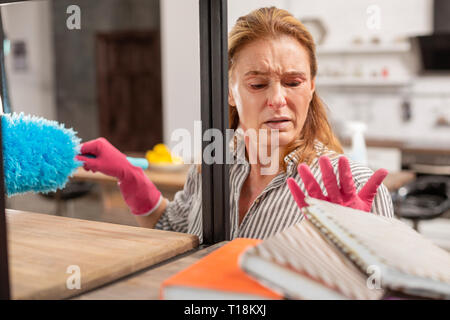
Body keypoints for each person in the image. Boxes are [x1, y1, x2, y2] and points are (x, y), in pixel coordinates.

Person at [76, 7, 393, 244]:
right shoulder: (213, 166)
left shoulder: (352, 186)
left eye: (293, 82)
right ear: (230, 92)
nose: (277, 99)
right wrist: (132, 179)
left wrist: (358, 248)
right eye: (257, 85)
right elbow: (173, 231)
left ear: (311, 86)